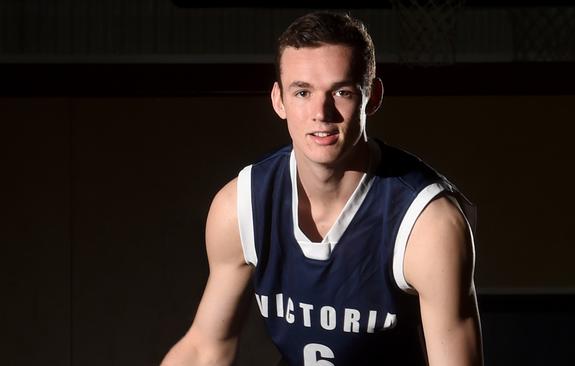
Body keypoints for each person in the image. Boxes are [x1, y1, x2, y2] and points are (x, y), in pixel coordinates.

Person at [162, 11, 482, 366]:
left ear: (371, 97)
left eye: (341, 92)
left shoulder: (428, 223)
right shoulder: (240, 206)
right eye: (302, 92)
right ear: (278, 100)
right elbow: (205, 348)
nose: (321, 112)